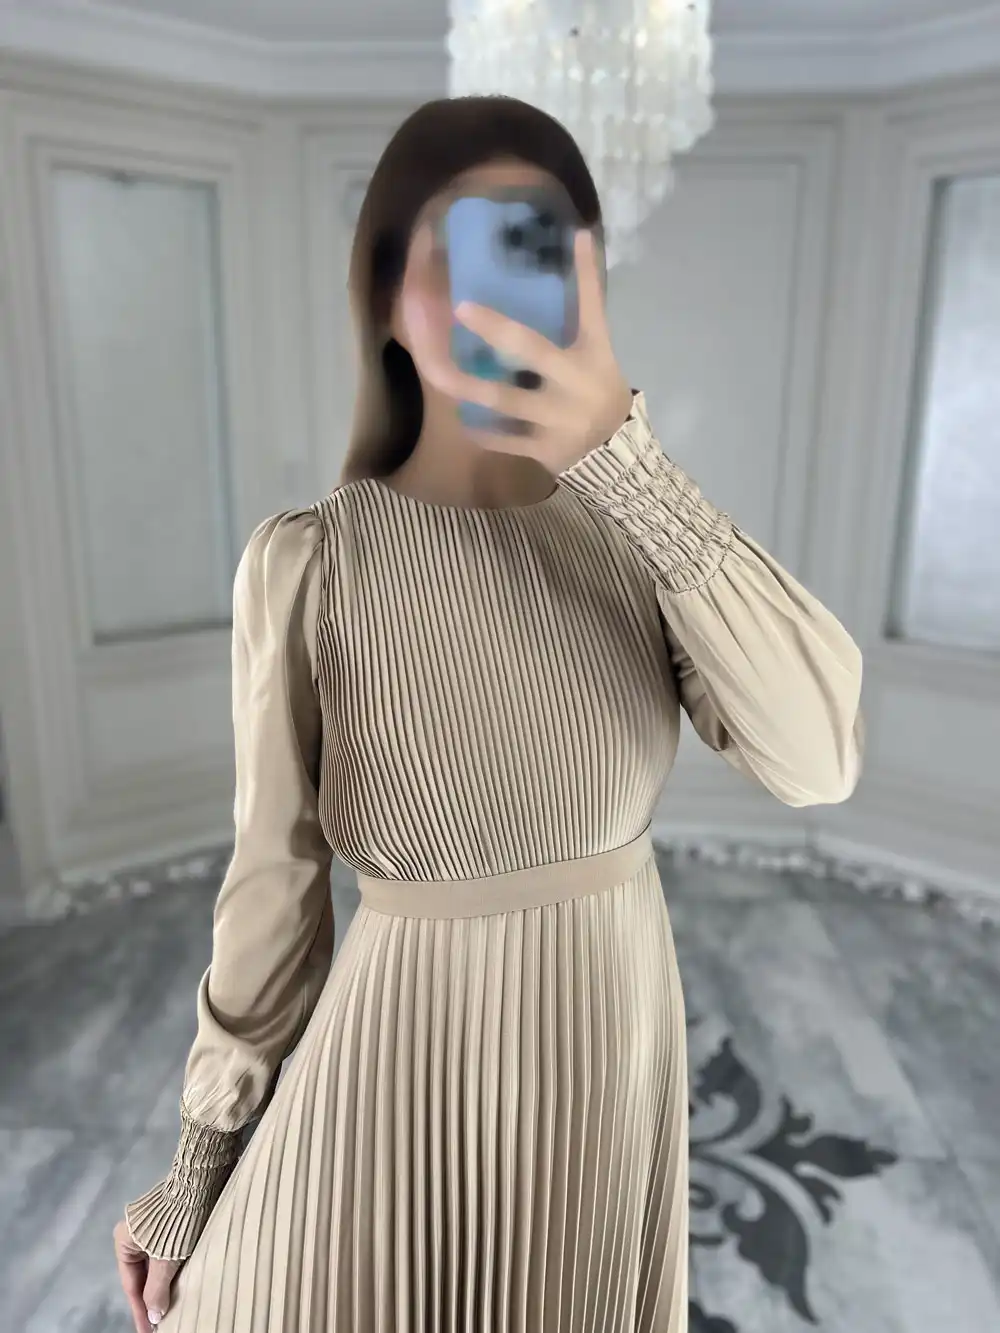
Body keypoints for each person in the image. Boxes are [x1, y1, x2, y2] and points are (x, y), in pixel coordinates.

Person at [113, 95, 864, 1333]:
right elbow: (272, 890)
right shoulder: (311, 563)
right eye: (468, 252)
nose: (505, 299)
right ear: (383, 297)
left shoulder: (641, 542)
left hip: (604, 1076)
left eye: (543, 253)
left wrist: (628, 466)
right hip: (391, 1081)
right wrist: (199, 1165)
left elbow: (819, 756)